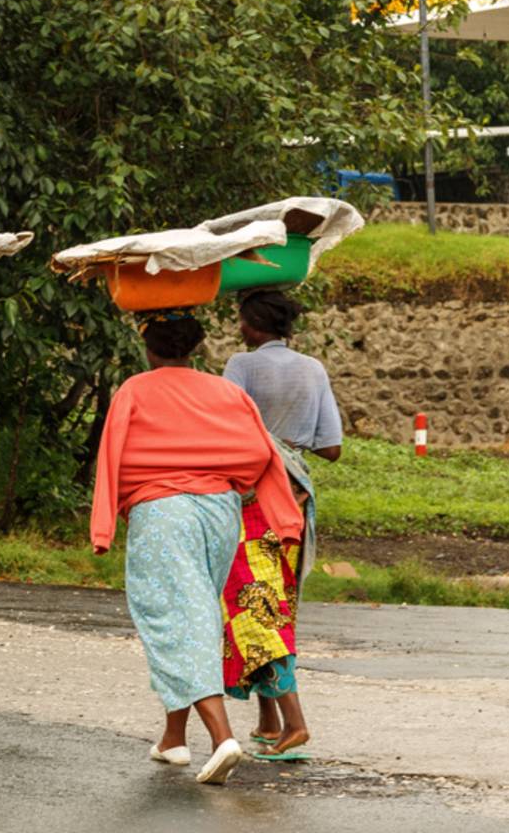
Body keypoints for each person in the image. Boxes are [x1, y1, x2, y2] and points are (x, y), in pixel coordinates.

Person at [91, 309, 301, 786]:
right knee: (197, 611)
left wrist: (102, 528)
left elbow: (110, 453)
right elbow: (266, 456)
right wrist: (284, 520)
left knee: (175, 618)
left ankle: (222, 736)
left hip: (164, 513)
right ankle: (173, 738)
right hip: (220, 513)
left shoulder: (135, 390)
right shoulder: (228, 393)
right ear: (194, 347)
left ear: (149, 346)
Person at [220, 290, 343, 759]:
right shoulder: (313, 369)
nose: (238, 329)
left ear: (253, 325)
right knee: (278, 604)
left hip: (255, 495)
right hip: (296, 496)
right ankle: (268, 721)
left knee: (252, 605)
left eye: (241, 321)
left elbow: (225, 427)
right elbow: (332, 447)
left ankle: (294, 722)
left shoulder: (242, 366)